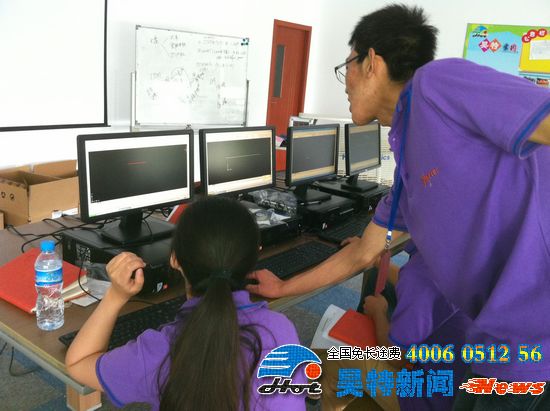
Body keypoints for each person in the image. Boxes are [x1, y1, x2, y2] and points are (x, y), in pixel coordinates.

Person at [248, 4, 550, 409]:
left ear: (371, 62)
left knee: (338, 365)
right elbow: (363, 253)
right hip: (492, 347)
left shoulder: (435, 83)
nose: (345, 83)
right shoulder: (410, 168)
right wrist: (283, 287)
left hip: (529, 344)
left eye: (346, 66)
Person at [66, 197, 306, 411]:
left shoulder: (160, 351)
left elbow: (77, 363)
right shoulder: (281, 331)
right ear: (256, 254)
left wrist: (115, 296)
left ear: (174, 259)